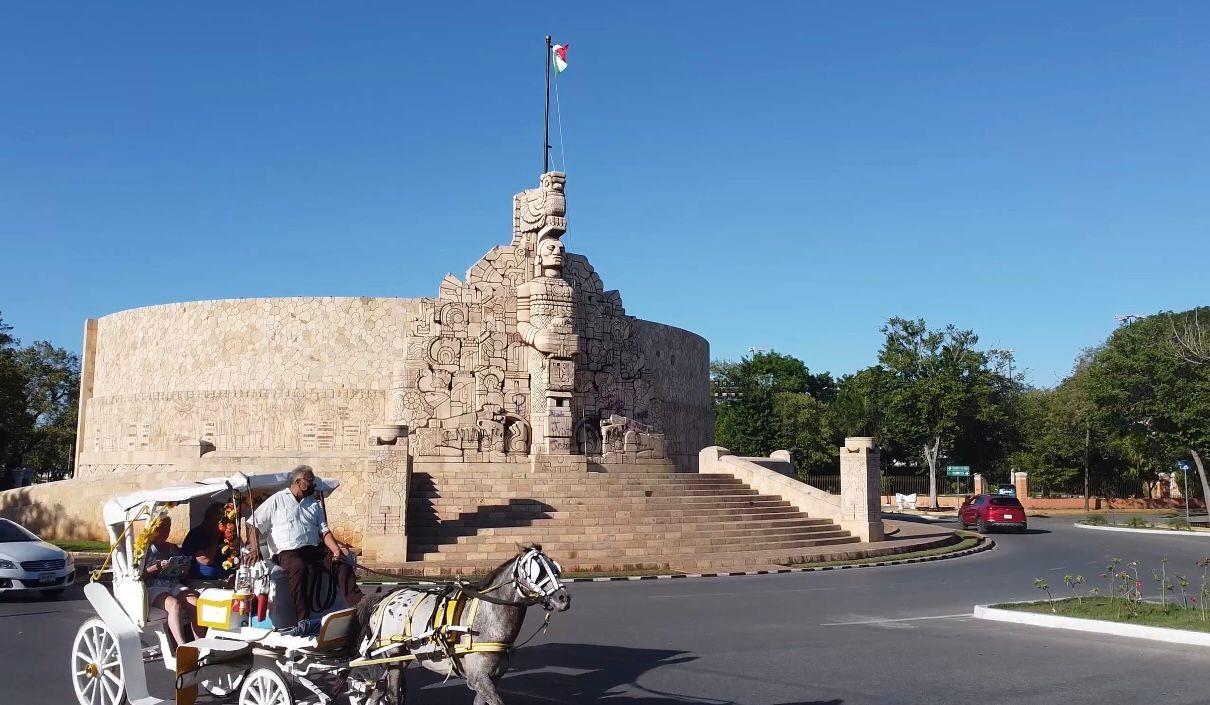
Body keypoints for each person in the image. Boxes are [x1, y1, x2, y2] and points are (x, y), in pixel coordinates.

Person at [244, 465, 363, 620]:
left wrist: (336, 551)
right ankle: (302, 619)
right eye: (310, 481)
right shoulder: (277, 500)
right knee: (298, 566)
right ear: (298, 482)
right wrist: (255, 549)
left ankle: (359, 605)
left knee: (341, 561)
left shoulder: (313, 504)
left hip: (313, 550)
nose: (313, 485)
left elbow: (324, 531)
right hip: (286, 552)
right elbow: (253, 525)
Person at [140, 514, 199, 652]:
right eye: (163, 528)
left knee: (195, 602)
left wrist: (184, 569)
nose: (166, 532)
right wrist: (157, 567)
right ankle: (182, 647)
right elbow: (138, 575)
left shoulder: (173, 548)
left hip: (173, 583)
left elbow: (183, 575)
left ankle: (200, 644)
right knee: (174, 604)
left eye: (168, 528)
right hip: (153, 586)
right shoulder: (144, 549)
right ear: (154, 529)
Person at [181, 503, 234, 583]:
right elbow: (206, 561)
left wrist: (232, 574)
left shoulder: (225, 535)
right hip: (200, 582)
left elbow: (232, 558)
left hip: (223, 581)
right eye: (222, 520)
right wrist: (215, 537)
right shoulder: (196, 534)